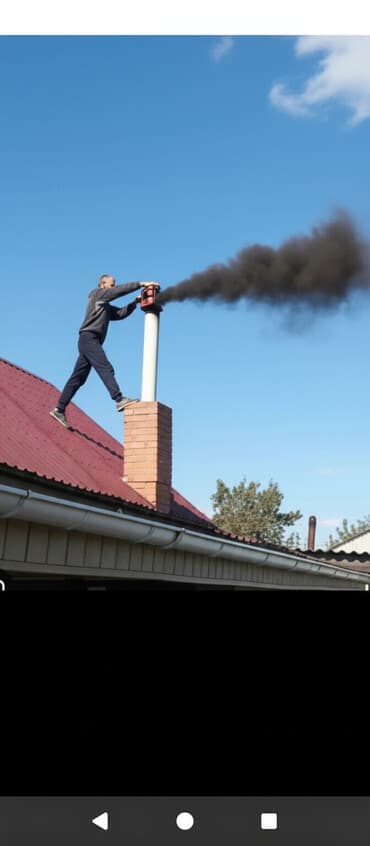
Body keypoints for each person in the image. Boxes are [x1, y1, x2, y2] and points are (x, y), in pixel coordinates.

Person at [50, 274, 155, 429]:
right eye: (111, 285)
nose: (114, 287)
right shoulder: (97, 294)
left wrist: (134, 303)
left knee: (78, 378)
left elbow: (119, 314)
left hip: (89, 341)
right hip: (89, 338)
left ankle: (59, 409)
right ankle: (119, 399)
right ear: (102, 284)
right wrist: (140, 284)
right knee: (105, 367)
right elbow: (117, 292)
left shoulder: (104, 305)